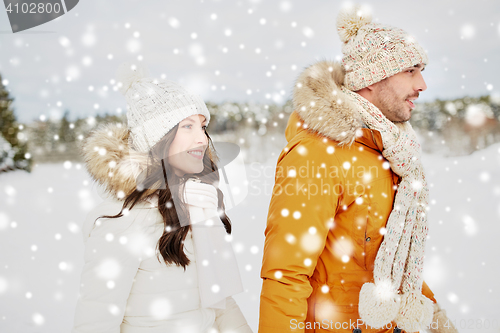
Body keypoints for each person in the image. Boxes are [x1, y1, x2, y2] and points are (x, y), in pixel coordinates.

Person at [259, 5, 458, 333]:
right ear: (371, 79)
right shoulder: (317, 155)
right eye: (410, 70)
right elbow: (286, 274)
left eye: (421, 70)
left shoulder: (392, 152)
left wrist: (434, 317)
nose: (422, 83)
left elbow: (392, 258)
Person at [72, 63, 253, 333]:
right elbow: (96, 321)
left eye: (203, 127)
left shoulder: (196, 204)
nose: (202, 139)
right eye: (187, 127)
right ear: (158, 139)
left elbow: (219, 302)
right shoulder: (123, 221)